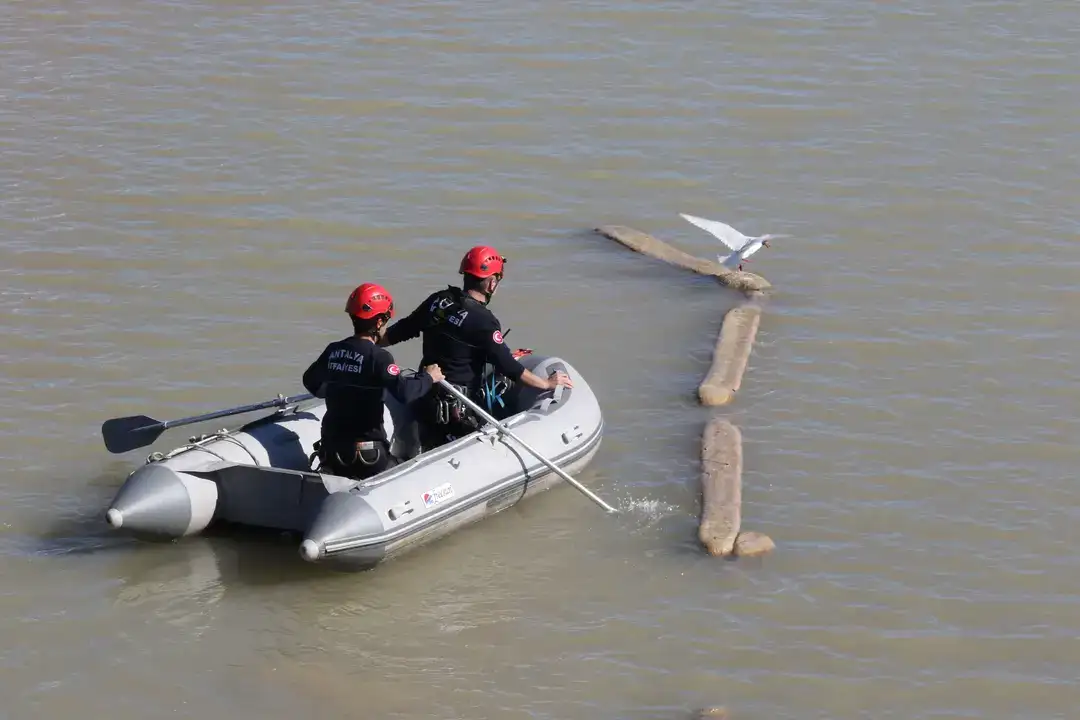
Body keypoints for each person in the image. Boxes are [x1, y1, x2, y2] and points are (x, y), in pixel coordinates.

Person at [379, 245, 573, 449]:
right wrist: (545, 384)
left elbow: (400, 331)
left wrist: (364, 343)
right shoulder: (484, 321)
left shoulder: (438, 301)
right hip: (457, 411)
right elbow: (509, 367)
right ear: (491, 283)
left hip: (424, 395)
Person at [302, 282, 443, 480]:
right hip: (368, 457)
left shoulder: (333, 350)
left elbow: (310, 382)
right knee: (410, 466)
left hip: (333, 454)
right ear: (379, 322)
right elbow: (405, 393)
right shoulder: (379, 357)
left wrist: (341, 387)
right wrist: (429, 377)